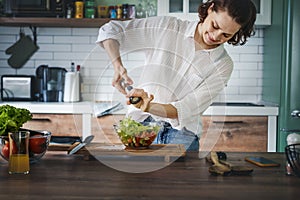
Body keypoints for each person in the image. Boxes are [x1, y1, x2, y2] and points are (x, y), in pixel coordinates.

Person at [96, 0, 257, 151]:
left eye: (226, 35)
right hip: (139, 126)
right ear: (210, 9)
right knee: (135, 180)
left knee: (177, 181)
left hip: (181, 134)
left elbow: (186, 108)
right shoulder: (167, 27)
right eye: (215, 26)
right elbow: (111, 30)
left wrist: (148, 106)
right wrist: (117, 65)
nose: (216, 36)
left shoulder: (223, 65)